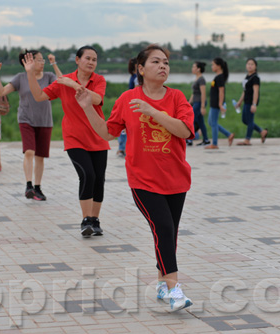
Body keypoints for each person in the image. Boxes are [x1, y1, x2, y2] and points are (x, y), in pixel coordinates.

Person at [75, 44, 194, 312]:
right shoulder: (128, 98)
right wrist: (86, 108)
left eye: (166, 62)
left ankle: (163, 283)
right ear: (140, 68)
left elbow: (185, 131)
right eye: (156, 62)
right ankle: (175, 290)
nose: (163, 66)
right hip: (143, 180)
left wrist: (153, 112)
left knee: (169, 233)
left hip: (176, 179)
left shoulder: (177, 98)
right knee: (163, 227)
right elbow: (107, 133)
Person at [23, 46, 109, 237]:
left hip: (98, 136)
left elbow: (96, 99)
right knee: (87, 175)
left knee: (99, 180)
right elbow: (39, 96)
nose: (91, 62)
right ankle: (86, 220)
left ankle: (95, 220)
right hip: (75, 138)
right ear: (77, 60)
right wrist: (30, 74)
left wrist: (75, 85)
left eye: (94, 59)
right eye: (87, 58)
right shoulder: (63, 81)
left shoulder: (99, 80)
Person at [0, 50, 62, 200]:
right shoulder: (20, 78)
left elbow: (62, 83)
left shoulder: (49, 76)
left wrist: (54, 63)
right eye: (38, 60)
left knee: (40, 156)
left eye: (42, 60)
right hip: (26, 120)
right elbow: (1, 91)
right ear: (27, 62)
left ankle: (37, 188)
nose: (42, 62)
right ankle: (28, 185)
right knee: (29, 151)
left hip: (44, 121)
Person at [235, 58, 268, 145]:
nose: (250, 66)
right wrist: (239, 102)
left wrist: (254, 104)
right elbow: (244, 91)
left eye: (252, 64)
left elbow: (256, 91)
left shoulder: (255, 78)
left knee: (249, 121)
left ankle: (247, 140)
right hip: (246, 101)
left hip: (251, 102)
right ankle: (262, 131)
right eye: (248, 64)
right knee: (245, 120)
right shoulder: (247, 76)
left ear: (255, 66)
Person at [205, 57, 235, 149]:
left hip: (216, 104)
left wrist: (220, 104)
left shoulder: (220, 77)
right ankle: (228, 134)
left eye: (213, 65)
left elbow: (221, 91)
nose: (212, 66)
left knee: (213, 123)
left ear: (219, 66)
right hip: (214, 103)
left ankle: (214, 144)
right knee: (211, 122)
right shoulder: (218, 76)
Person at [116, 58, 139, 157]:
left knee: (126, 127)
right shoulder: (136, 78)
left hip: (132, 104)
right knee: (125, 126)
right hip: (133, 104)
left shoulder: (134, 77)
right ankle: (122, 148)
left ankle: (123, 148)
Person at [189, 61, 210, 146]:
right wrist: (189, 102)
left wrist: (202, 107)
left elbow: (203, 93)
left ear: (198, 69)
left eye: (194, 67)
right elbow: (194, 93)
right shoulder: (197, 78)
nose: (192, 68)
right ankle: (206, 140)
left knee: (191, 119)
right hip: (195, 102)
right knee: (200, 122)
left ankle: (189, 140)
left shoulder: (201, 79)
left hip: (199, 103)